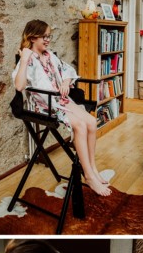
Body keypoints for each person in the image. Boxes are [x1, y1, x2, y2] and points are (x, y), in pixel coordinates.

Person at [14, 19, 111, 197]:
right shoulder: (28, 60)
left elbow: (67, 70)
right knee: (80, 125)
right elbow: (19, 86)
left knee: (90, 121)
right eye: (44, 36)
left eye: (49, 36)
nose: (48, 40)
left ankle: (93, 168)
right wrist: (25, 58)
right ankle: (88, 176)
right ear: (33, 37)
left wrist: (66, 82)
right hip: (46, 106)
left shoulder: (50, 55)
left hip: (60, 100)